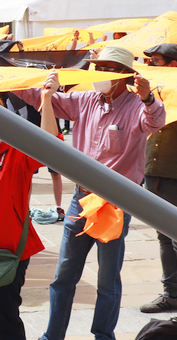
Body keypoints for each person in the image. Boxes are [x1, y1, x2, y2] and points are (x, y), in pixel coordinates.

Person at [14, 45, 166, 340]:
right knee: (64, 275)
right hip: (82, 199)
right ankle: (52, 335)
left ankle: (103, 336)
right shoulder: (85, 100)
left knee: (108, 279)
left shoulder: (136, 105)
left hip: (116, 202)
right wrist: (16, 80)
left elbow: (155, 121)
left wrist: (148, 97)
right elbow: (39, 98)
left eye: (109, 68)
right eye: (100, 67)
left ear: (124, 76)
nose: (102, 73)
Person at [0, 92, 59, 340]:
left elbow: (50, 146)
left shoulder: (16, 153)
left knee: (6, 316)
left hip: (7, 254)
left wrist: (48, 100)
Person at [139, 43, 177, 313]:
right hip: (155, 172)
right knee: (164, 237)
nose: (150, 65)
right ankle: (171, 294)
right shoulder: (155, 91)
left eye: (157, 61)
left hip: (173, 173)